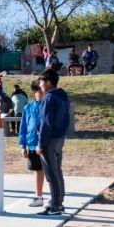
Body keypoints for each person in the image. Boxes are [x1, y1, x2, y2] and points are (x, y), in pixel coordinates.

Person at [35, 68, 71, 216]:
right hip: (59, 138)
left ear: (49, 82)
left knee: (51, 174)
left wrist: (40, 144)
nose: (40, 84)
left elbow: (46, 122)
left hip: (49, 140)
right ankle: (59, 203)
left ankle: (55, 206)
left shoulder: (49, 97)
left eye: (41, 81)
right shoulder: (63, 96)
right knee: (58, 172)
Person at [18, 81, 45, 207]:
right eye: (39, 91)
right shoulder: (28, 107)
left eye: (43, 91)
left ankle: (56, 199)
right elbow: (23, 128)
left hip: (46, 145)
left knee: (51, 172)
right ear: (34, 92)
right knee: (37, 170)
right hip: (32, 144)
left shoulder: (48, 106)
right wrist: (23, 145)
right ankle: (38, 197)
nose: (42, 93)